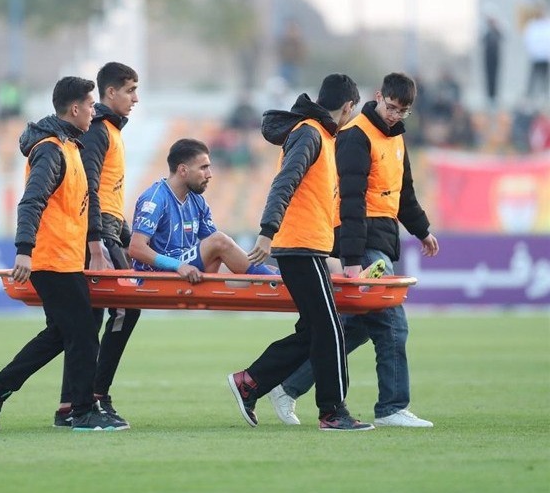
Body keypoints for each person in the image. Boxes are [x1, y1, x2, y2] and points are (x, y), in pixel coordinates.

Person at [268, 72, 440, 428]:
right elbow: (350, 201)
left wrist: (422, 230)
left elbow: (404, 193)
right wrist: (351, 259)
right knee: (393, 325)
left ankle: (288, 386)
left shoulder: (395, 139)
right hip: (362, 243)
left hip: (382, 239)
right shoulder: (355, 135)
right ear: (379, 96)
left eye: (402, 111)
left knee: (354, 328)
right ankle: (392, 407)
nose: (394, 115)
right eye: (391, 107)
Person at [0, 76, 127, 433]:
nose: (94, 111)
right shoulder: (51, 150)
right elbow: (31, 201)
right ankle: (82, 412)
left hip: (64, 258)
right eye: (90, 105)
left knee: (61, 333)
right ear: (74, 109)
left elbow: (80, 203)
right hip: (51, 259)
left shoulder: (69, 146)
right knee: (83, 333)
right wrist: (24, 251)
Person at [227, 73, 374, 431]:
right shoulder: (310, 133)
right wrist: (267, 231)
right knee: (330, 328)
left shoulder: (319, 134)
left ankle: (251, 381)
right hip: (298, 246)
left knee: (314, 330)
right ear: (348, 106)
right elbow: (285, 182)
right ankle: (332, 411)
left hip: (308, 246)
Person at [53, 62, 139, 428]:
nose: (136, 98)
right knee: (123, 309)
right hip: (97, 232)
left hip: (108, 229)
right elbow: (88, 187)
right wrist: (96, 241)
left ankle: (70, 404)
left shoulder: (110, 131)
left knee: (90, 319)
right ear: (110, 93)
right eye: (130, 90)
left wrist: (127, 236)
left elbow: (109, 192)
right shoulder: (100, 130)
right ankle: (94, 396)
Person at [128, 138, 278, 284]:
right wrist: (178, 265)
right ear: (183, 170)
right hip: (156, 276)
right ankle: (271, 282)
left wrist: (252, 264)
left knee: (220, 245)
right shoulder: (155, 199)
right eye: (203, 168)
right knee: (219, 240)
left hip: (186, 270)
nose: (209, 174)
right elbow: (135, 248)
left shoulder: (197, 201)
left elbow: (220, 248)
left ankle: (266, 276)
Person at [523, 9, 550, 101]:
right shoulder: (533, 26)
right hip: (536, 55)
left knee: (544, 76)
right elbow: (528, 40)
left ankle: (544, 93)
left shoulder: (547, 26)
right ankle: (530, 94)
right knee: (533, 76)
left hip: (545, 56)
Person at [482, 14, 503, 108]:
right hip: (488, 58)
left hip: (495, 57)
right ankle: (489, 96)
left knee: (495, 78)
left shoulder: (497, 32)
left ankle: (495, 96)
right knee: (488, 78)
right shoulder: (486, 33)